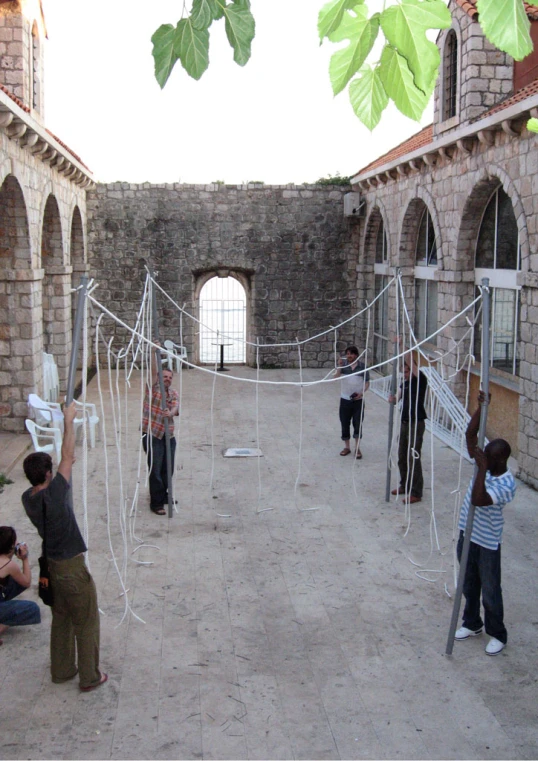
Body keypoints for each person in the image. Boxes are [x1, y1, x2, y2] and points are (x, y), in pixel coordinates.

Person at [22, 402, 107, 691]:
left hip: (52, 566)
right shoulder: (56, 494)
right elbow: (68, 456)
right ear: (48, 474)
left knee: (61, 619)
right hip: (70, 566)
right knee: (85, 621)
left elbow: (64, 462)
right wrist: (69, 422)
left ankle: (61, 670)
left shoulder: (27, 498)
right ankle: (90, 677)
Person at [454, 390, 516, 656]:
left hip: (487, 542)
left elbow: (479, 500)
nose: (482, 459)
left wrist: (480, 468)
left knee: (490, 590)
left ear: (499, 460)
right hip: (467, 534)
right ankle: (472, 623)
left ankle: (498, 634)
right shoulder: (487, 464)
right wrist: (481, 407)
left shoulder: (505, 483)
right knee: (468, 584)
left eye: (488, 458)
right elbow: (470, 435)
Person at [141, 351, 180, 515]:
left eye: (170, 377)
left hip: (168, 436)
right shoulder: (153, 390)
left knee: (168, 468)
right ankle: (156, 503)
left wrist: (170, 413)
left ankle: (164, 495)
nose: (168, 380)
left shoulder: (173, 393)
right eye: (164, 377)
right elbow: (152, 371)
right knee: (155, 469)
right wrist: (153, 351)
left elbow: (176, 407)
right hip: (153, 435)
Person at [388, 353, 428, 503]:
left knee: (413, 457)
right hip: (405, 422)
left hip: (416, 423)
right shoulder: (403, 384)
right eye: (402, 372)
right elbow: (396, 399)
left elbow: (410, 360)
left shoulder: (420, 381)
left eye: (406, 371)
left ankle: (416, 492)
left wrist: (403, 346)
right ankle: (404, 484)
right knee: (402, 456)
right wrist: (392, 399)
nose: (404, 374)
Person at [0, 526, 41, 645]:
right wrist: (24, 559)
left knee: (14, 581)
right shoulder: (9, 565)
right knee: (31, 609)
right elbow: (26, 582)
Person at [335, 345, 370, 459]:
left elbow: (367, 382)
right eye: (347, 354)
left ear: (356, 355)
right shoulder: (344, 367)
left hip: (358, 401)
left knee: (357, 423)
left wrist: (362, 393)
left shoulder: (362, 367)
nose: (349, 356)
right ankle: (347, 447)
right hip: (345, 400)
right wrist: (339, 366)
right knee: (345, 423)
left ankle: (357, 448)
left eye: (351, 354)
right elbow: (336, 377)